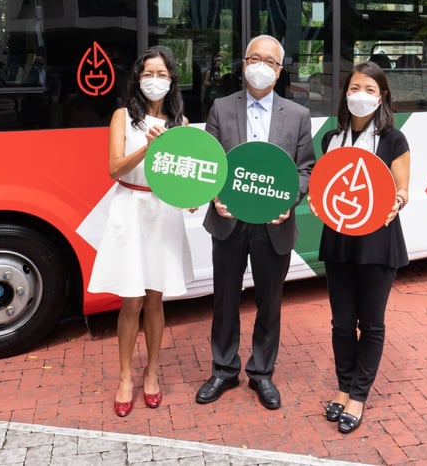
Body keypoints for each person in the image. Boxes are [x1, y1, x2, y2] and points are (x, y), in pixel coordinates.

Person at [196, 35, 316, 411]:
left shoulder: (297, 115)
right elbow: (209, 162)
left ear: (279, 71)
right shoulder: (221, 107)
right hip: (229, 220)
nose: (261, 67)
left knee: (270, 302)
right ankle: (223, 369)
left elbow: (306, 169)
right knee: (225, 299)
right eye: (255, 59)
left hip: (273, 224)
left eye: (270, 61)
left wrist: (289, 200)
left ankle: (262, 372)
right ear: (244, 63)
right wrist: (214, 196)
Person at [87, 46, 193, 417]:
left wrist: (190, 198)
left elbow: (185, 174)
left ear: (172, 80)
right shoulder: (123, 116)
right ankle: (124, 377)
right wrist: (147, 149)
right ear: (138, 78)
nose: (155, 80)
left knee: (154, 299)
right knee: (131, 300)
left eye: (162, 74)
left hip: (162, 212)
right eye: (149, 74)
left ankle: (151, 373)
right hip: (130, 208)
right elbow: (114, 168)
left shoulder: (180, 123)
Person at [314, 61, 410, 434]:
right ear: (345, 94)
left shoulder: (393, 140)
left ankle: (358, 393)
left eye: (370, 89)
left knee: (370, 323)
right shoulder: (331, 139)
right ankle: (343, 385)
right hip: (339, 239)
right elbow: (326, 186)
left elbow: (402, 191)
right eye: (355, 88)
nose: (361, 95)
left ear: (382, 96)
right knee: (341, 323)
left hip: (377, 242)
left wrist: (397, 201)